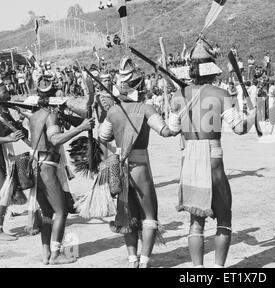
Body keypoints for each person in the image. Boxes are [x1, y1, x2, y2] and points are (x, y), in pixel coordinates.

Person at [169, 36, 256, 268]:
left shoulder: (178, 95)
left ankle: (198, 270)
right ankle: (217, 270)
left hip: (189, 157)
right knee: (224, 218)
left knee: (195, 221)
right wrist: (253, 116)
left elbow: (170, 129)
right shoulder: (220, 94)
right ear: (211, 69)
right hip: (213, 157)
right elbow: (239, 128)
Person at [98, 56, 178, 268]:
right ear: (139, 85)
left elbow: (102, 136)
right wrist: (177, 117)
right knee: (149, 215)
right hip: (140, 166)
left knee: (127, 214)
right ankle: (143, 262)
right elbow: (166, 131)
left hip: (120, 167)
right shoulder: (145, 108)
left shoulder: (113, 111)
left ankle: (132, 260)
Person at [25, 73, 94, 265]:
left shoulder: (36, 114)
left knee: (47, 213)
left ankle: (46, 253)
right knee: (61, 211)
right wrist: (80, 128)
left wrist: (70, 111)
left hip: (36, 167)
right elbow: (55, 139)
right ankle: (56, 255)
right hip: (47, 167)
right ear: (55, 94)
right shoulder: (51, 115)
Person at [0, 83, 27, 241]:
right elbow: (8, 135)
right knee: (4, 190)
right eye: (3, 90)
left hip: (5, 156)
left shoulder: (4, 111)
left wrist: (21, 119)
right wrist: (8, 138)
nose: (7, 92)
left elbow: (16, 131)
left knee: (6, 191)